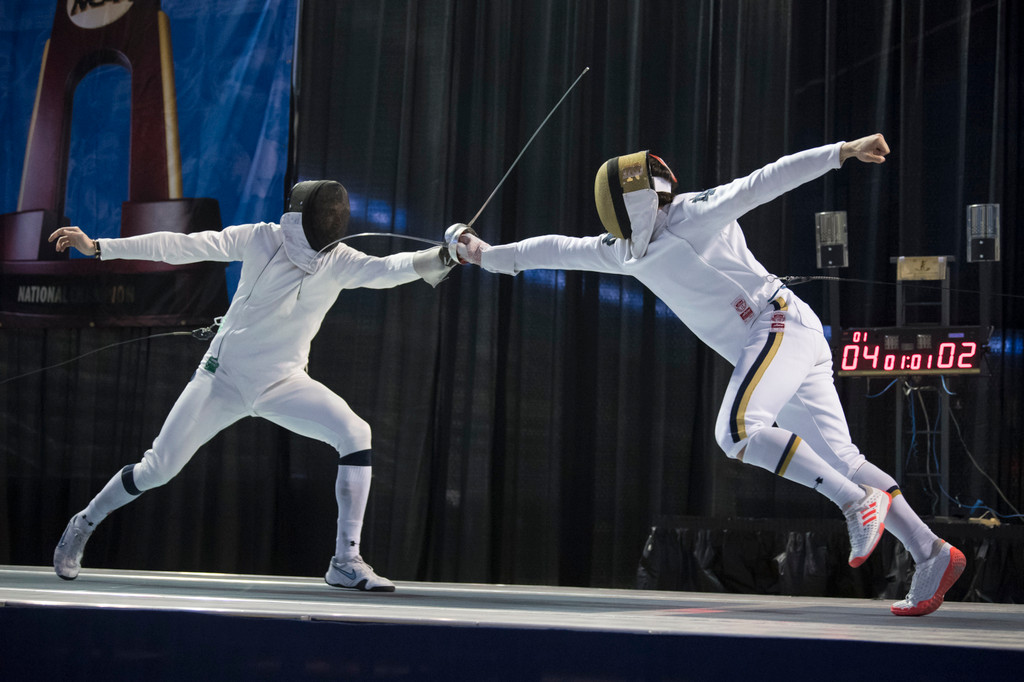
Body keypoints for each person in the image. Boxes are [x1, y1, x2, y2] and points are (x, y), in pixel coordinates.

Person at [452, 134, 966, 616]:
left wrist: (841, 151)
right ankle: (931, 553)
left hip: (778, 323)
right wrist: (480, 254)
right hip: (783, 340)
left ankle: (855, 504)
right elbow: (552, 249)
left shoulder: (694, 213)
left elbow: (765, 180)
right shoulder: (624, 253)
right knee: (843, 458)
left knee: (738, 431)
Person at [49, 180, 459, 592]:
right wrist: (100, 245)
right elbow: (180, 245)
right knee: (156, 470)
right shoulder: (261, 238)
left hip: (283, 382)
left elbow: (389, 269)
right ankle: (84, 522)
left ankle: (345, 561)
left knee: (356, 433)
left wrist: (444, 254)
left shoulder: (340, 259)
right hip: (221, 380)